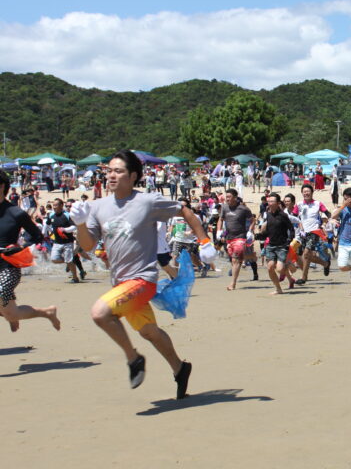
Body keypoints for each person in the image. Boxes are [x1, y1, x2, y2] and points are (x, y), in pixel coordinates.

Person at [71, 150, 212, 398]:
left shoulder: (147, 202)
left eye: (118, 171)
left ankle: (133, 358)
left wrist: (205, 241)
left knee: (100, 313)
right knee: (149, 332)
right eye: (109, 171)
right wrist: (81, 224)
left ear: (133, 175)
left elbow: (185, 211)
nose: (111, 175)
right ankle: (180, 368)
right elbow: (88, 246)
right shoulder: (97, 207)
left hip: (143, 279)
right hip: (120, 284)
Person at [0, 171, 61, 333]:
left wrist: (20, 247)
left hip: (9, 267)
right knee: (12, 314)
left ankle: (6, 312)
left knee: (0, 292)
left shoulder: (16, 213)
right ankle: (47, 312)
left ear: (2, 187)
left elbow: (37, 235)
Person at [291, 183, 331, 285]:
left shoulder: (318, 203)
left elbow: (327, 213)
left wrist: (329, 221)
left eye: (308, 191)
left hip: (315, 232)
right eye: (304, 192)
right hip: (303, 233)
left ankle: (304, 278)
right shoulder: (299, 204)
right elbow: (293, 217)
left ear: (312, 192)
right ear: (302, 193)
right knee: (306, 256)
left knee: (306, 253)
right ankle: (325, 263)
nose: (306, 193)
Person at [258, 193, 297, 295]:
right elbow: (268, 231)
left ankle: (288, 264)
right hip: (271, 245)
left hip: (282, 246)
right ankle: (278, 289)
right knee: (270, 267)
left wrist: (289, 241)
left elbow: (291, 229)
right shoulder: (268, 214)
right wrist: (260, 235)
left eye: (272, 201)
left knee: (279, 269)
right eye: (269, 201)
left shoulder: (283, 215)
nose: (270, 203)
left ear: (278, 203)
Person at [217, 188, 254, 291]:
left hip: (240, 237)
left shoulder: (243, 209)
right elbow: (221, 219)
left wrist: (250, 231)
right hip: (229, 238)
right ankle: (251, 257)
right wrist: (219, 231)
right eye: (226, 197)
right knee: (233, 261)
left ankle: (233, 284)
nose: (227, 199)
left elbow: (252, 220)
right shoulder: (224, 207)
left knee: (235, 259)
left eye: (229, 197)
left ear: (235, 197)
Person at [47, 198, 82, 283]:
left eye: (56, 205)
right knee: (54, 259)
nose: (54, 207)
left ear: (61, 206)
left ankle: (75, 278)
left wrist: (65, 230)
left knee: (69, 260)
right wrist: (48, 232)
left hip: (68, 243)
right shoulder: (51, 215)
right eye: (53, 205)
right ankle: (68, 262)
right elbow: (47, 224)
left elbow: (74, 227)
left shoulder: (67, 215)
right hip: (57, 242)